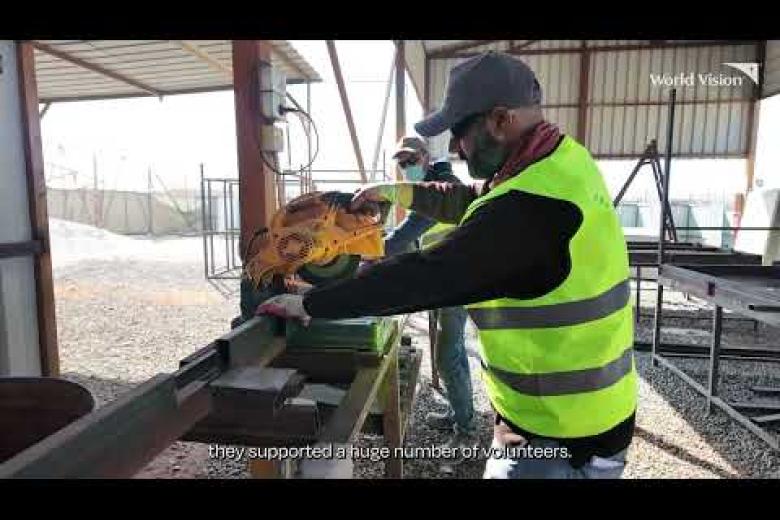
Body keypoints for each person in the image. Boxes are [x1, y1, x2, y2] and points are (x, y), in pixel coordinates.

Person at [257, 51, 637, 479]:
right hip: (585, 411)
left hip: (561, 435)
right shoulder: (561, 162)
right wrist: (395, 191)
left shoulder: (529, 210)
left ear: (499, 120)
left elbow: (425, 276)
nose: (455, 146)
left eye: (460, 131)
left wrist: (312, 304)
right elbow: (475, 196)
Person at [384, 136, 477, 450]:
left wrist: (368, 251)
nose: (407, 168)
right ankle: (458, 412)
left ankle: (465, 431)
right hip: (444, 282)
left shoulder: (440, 188)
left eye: (411, 161)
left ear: (425, 156)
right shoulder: (434, 185)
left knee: (448, 356)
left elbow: (407, 232)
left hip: (456, 285)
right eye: (403, 164)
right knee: (453, 354)